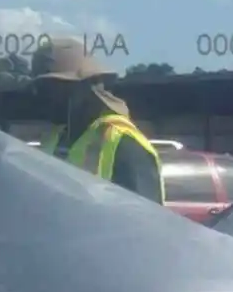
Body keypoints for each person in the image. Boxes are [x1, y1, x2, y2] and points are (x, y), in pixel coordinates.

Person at [31, 37, 163, 203]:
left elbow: (146, 222)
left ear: (85, 86)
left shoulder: (124, 143)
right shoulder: (54, 140)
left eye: (50, 88)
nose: (42, 97)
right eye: (39, 89)